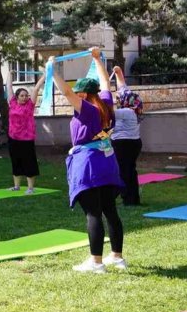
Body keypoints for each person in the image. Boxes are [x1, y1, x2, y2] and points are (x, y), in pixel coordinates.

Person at [48, 47, 126, 273]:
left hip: (89, 164)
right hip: (108, 163)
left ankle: (96, 261)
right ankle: (117, 257)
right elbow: (105, 82)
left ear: (83, 95)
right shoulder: (106, 103)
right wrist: (96, 59)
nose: (76, 97)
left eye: (78, 94)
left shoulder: (88, 110)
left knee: (93, 213)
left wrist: (53, 70)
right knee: (110, 210)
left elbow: (66, 93)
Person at [5, 72, 46, 194]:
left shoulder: (30, 105)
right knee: (15, 161)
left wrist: (46, 74)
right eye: (22, 96)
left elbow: (37, 88)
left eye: (26, 95)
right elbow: (8, 87)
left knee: (29, 162)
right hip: (13, 138)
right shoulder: (12, 103)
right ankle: (16, 186)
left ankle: (30, 188)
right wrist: (10, 74)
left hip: (27, 139)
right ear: (17, 97)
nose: (24, 97)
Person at [111, 65, 144, 206]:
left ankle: (127, 198)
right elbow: (123, 88)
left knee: (124, 172)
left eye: (119, 98)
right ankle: (132, 198)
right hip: (134, 143)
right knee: (130, 170)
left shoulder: (127, 112)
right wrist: (118, 72)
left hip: (123, 145)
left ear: (125, 101)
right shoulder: (134, 107)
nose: (118, 98)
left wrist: (104, 96)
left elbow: (106, 112)